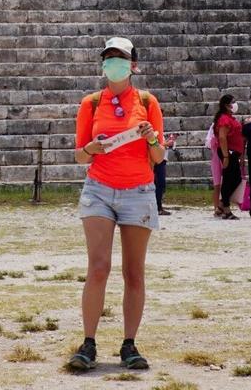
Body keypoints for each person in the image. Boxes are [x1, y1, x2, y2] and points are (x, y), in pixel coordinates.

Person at [68, 37, 164, 373]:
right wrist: (93, 148)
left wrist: (152, 137)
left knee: (134, 273)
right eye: (109, 58)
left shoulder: (147, 101)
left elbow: (159, 155)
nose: (114, 63)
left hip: (138, 190)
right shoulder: (91, 103)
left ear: (133, 65)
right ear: (103, 64)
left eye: (120, 58)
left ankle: (129, 343)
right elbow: (80, 154)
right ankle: (88, 342)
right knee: (98, 267)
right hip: (99, 190)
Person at [214, 93, 245, 219]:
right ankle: (226, 208)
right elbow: (222, 137)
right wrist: (226, 156)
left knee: (235, 178)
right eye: (233, 102)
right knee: (229, 179)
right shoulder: (224, 119)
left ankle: (221, 205)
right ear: (227, 106)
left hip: (233, 152)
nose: (235, 104)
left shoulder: (229, 118)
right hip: (228, 152)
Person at [154, 132, 177, 215]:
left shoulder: (159, 132)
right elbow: (154, 146)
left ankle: (158, 206)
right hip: (158, 160)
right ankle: (158, 208)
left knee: (160, 185)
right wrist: (167, 143)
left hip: (161, 159)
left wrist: (167, 143)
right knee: (159, 184)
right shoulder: (155, 131)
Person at [205, 119, 223, 216]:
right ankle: (216, 208)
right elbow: (208, 143)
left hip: (225, 156)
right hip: (216, 157)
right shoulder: (214, 126)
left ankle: (223, 206)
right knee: (217, 184)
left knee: (225, 184)